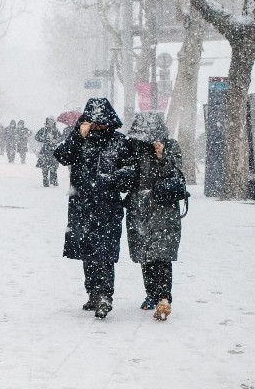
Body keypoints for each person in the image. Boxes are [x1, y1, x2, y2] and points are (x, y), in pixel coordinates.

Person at [54, 98, 136, 319]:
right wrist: (77, 136)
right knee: (87, 253)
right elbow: (61, 156)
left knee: (105, 254)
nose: (97, 126)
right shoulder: (79, 140)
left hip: (108, 207)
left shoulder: (119, 142)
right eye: (93, 121)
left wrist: (112, 179)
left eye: (101, 122)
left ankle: (104, 296)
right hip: (82, 206)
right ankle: (92, 292)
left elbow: (130, 173)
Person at [124, 112, 183, 321]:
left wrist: (162, 158)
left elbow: (178, 175)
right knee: (146, 255)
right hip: (139, 209)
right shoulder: (133, 149)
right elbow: (127, 175)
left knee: (162, 256)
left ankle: (164, 297)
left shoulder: (171, 146)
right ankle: (151, 293)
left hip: (164, 211)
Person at [34, 117, 62, 187]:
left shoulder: (56, 130)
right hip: (44, 150)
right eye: (49, 122)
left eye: (52, 122)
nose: (50, 123)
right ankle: (45, 181)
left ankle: (54, 181)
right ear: (46, 122)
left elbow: (61, 138)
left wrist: (56, 140)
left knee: (54, 167)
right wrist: (44, 139)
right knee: (44, 167)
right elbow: (36, 137)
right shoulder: (43, 130)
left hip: (53, 150)